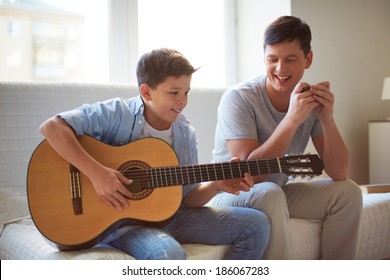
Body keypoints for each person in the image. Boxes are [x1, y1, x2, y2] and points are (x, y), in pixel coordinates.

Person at [39, 48, 270, 260]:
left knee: (256, 224)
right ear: (146, 92)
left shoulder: (185, 133)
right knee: (167, 254)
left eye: (187, 92)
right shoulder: (117, 113)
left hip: (172, 217)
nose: (183, 101)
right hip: (120, 222)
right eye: (174, 92)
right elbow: (52, 127)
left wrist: (215, 185)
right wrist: (97, 174)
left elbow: (187, 198)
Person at [207, 16, 362, 259]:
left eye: (290, 59)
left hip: (276, 193)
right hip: (230, 194)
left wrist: (327, 119)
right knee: (270, 192)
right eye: (272, 59)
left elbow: (339, 172)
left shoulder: (308, 101)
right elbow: (249, 174)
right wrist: (291, 120)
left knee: (348, 192)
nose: (280, 69)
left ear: (308, 60)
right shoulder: (239, 98)